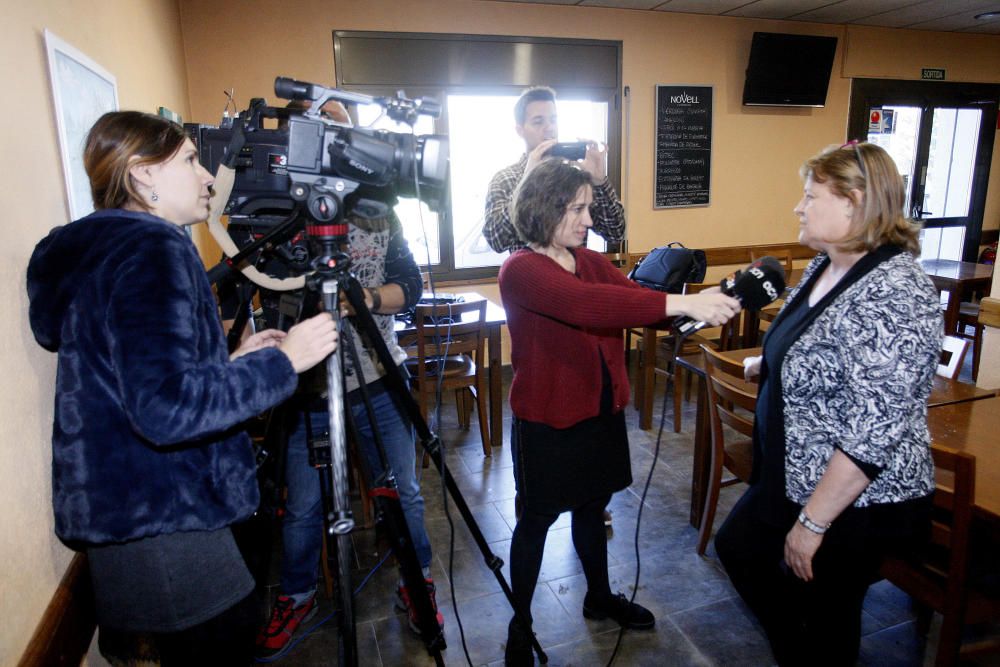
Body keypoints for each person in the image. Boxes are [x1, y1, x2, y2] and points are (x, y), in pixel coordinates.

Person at [26, 111, 338, 665]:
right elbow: (166, 410)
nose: (209, 178)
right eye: (191, 161)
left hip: (125, 526)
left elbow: (135, 380)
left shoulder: (98, 250)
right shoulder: (153, 248)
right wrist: (284, 362)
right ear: (143, 175)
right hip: (171, 525)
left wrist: (230, 363)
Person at [497, 159, 740, 665]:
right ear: (545, 208)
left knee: (592, 507)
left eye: (588, 208)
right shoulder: (521, 269)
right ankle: (520, 622)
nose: (588, 220)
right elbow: (587, 306)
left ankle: (599, 596)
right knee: (537, 520)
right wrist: (681, 306)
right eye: (577, 209)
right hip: (546, 418)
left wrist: (694, 306)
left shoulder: (584, 259)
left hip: (599, 410)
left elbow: (631, 297)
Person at [714, 142, 941, 665]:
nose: (799, 206)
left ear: (854, 204)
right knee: (742, 551)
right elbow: (810, 340)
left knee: (828, 611)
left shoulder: (896, 292)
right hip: (793, 475)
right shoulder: (826, 264)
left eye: (810, 195)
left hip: (854, 501)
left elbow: (872, 432)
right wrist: (773, 364)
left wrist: (812, 525)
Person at [254, 100, 441, 654]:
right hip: (309, 385)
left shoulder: (379, 205)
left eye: (345, 131)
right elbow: (260, 284)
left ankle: (417, 582)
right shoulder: (278, 209)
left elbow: (410, 282)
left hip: (378, 375)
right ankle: (296, 594)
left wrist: (361, 300)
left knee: (404, 490)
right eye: (326, 130)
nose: (339, 142)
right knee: (305, 503)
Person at [483, 86, 625, 254]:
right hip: (526, 276)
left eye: (553, 119)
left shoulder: (574, 177)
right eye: (538, 121)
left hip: (571, 276)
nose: (549, 127)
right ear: (520, 130)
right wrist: (526, 181)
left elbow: (616, 232)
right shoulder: (506, 179)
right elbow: (496, 240)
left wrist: (599, 182)